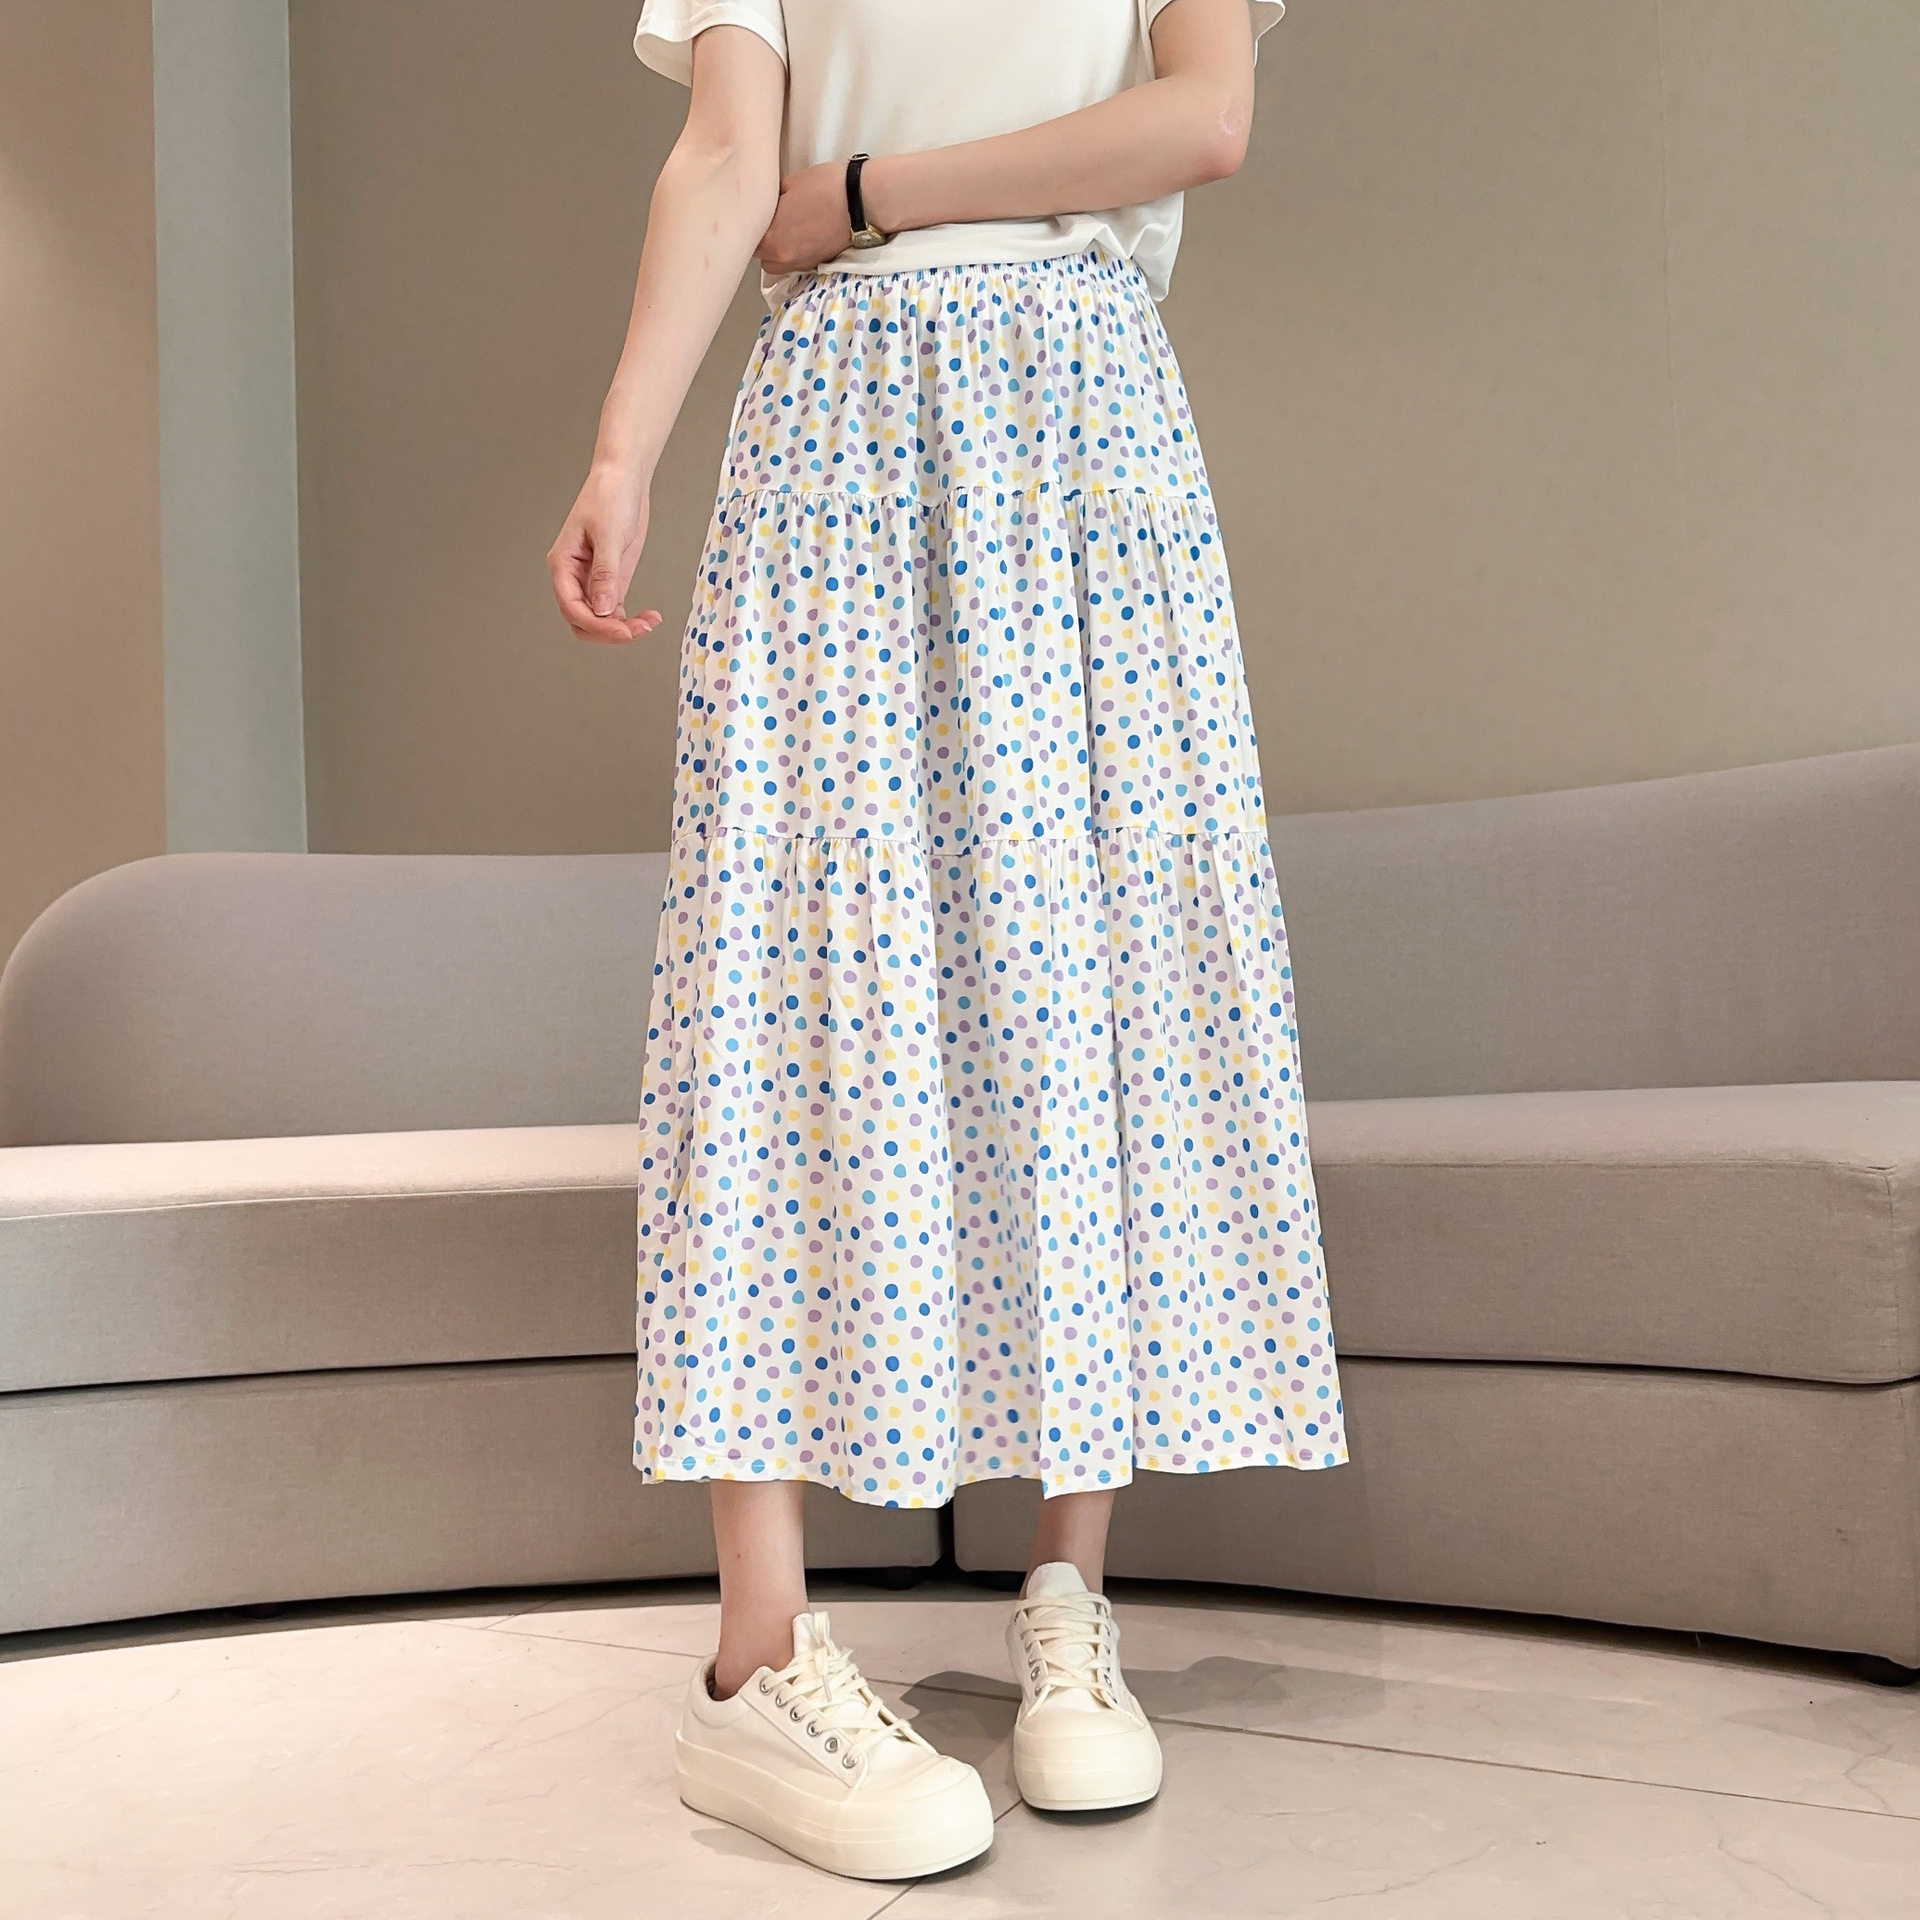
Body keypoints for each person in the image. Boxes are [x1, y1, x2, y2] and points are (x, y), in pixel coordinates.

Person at [548, 0, 1348, 1881]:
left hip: (1081, 423)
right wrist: (622, 448)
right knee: (785, 992)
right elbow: (721, 158)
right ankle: (757, 1659)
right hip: (834, 421)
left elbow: (1204, 117)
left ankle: (1069, 1599)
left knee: (1084, 981)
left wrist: (868, 191)